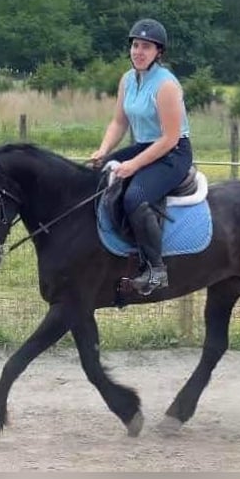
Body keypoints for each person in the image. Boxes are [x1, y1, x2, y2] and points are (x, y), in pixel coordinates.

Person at [90, 18, 193, 295]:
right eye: (135, 45)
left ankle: (156, 269)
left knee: (136, 196)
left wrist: (133, 165)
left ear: (158, 52)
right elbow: (119, 123)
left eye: (146, 47)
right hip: (145, 145)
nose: (138, 51)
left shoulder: (166, 85)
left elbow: (170, 138)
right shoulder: (127, 79)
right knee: (97, 177)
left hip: (172, 153)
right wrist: (103, 150)